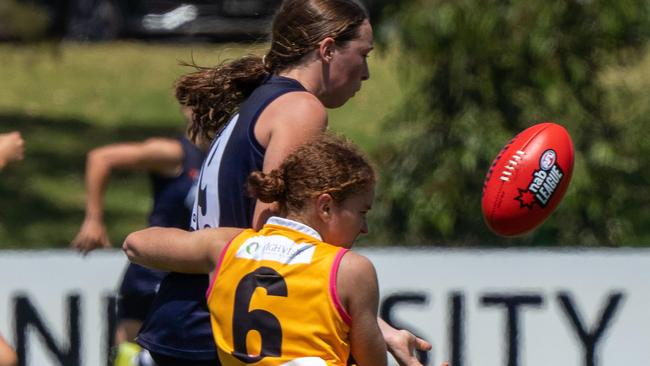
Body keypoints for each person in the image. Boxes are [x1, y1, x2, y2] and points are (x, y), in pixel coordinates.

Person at [137, 0, 431, 365]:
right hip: (221, 329)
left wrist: (374, 325)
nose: (366, 72)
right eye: (364, 54)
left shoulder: (263, 100)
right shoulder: (300, 109)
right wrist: (364, 321)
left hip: (192, 321)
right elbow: (271, 236)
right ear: (327, 50)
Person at [125, 134, 388, 365]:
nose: (364, 227)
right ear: (326, 206)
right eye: (361, 212)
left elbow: (135, 244)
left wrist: (246, 240)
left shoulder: (227, 248)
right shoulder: (351, 269)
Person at [70, 111, 205, 366]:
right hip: (156, 270)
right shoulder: (174, 152)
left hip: (199, 270)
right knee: (129, 353)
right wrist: (93, 219)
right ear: (189, 111)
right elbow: (101, 158)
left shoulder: (230, 152)